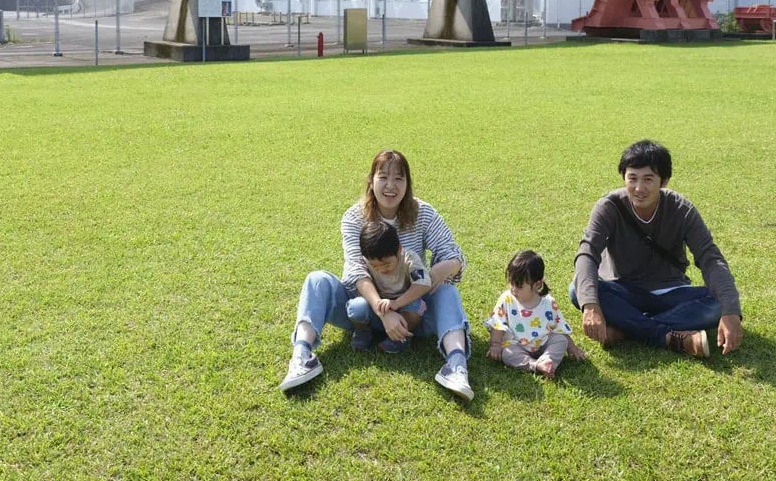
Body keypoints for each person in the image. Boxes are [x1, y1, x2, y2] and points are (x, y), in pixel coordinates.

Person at [280, 149, 475, 400]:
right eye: (383, 177)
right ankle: (301, 356)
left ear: (408, 183)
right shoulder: (354, 217)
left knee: (447, 290)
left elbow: (455, 257)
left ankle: (456, 366)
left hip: (413, 315)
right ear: (371, 181)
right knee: (316, 280)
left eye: (399, 179)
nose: (391, 186)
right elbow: (355, 271)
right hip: (362, 310)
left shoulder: (423, 213)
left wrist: (432, 275)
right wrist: (384, 311)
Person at [570, 140, 744, 358]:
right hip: (623, 290)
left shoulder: (681, 209)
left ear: (664, 181)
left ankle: (628, 329)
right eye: (632, 178)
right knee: (578, 291)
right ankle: (670, 336)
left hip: (671, 291)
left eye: (648, 179)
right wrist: (591, 305)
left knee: (719, 303)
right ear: (623, 177)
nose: (638, 188)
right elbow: (587, 254)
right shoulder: (609, 206)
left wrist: (731, 311)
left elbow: (710, 258)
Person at [485, 250, 587, 378]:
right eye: (511, 283)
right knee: (508, 353)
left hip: (544, 344)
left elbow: (558, 327)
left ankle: (547, 361)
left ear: (537, 284)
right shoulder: (507, 299)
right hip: (517, 345)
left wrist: (572, 347)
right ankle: (536, 365)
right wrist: (495, 345)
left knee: (560, 341)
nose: (513, 289)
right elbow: (498, 324)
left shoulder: (548, 302)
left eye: (519, 286)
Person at [350, 221, 432, 353]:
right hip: (377, 305)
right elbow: (359, 281)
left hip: (403, 303)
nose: (381, 269)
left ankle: (400, 338)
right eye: (375, 266)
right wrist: (381, 306)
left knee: (416, 307)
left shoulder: (409, 259)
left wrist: (396, 303)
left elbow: (423, 283)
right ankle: (363, 331)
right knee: (356, 307)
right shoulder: (364, 261)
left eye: (386, 264)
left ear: (399, 249)